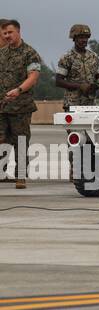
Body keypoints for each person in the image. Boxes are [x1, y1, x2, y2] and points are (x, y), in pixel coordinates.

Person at [0, 19, 42, 190]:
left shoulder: (29, 53)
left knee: (21, 141)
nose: (7, 36)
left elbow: (33, 76)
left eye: (10, 32)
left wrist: (18, 90)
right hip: (2, 106)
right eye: (4, 33)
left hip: (21, 107)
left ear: (18, 31)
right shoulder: (2, 53)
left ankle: (20, 176)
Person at [56, 24, 99, 111]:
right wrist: (79, 86)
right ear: (74, 38)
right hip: (72, 104)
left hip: (90, 104)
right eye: (81, 37)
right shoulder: (67, 57)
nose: (84, 40)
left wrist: (97, 86)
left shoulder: (94, 57)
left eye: (86, 37)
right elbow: (58, 81)